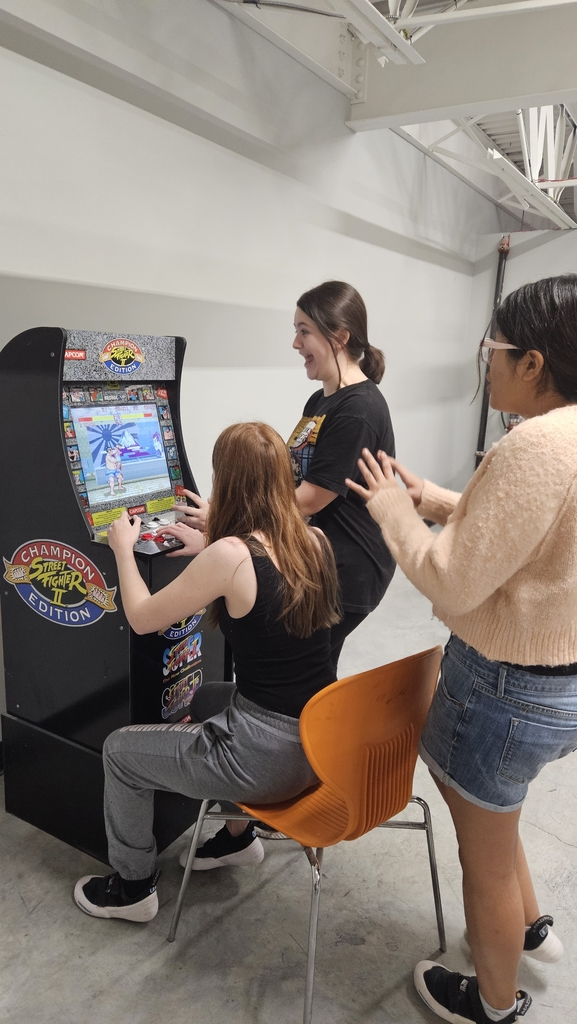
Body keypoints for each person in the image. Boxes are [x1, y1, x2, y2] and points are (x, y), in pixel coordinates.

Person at [346, 274, 577, 1024]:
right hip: (554, 683)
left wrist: (388, 512)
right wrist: (435, 500)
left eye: (494, 350)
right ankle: (532, 924)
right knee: (492, 812)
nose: (488, 363)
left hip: (504, 690)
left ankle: (493, 1000)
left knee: (481, 856)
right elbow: (532, 538)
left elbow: (451, 581)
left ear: (534, 363)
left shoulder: (533, 448)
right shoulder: (566, 435)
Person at [74, 422, 340, 922]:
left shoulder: (230, 556)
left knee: (119, 752)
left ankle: (132, 887)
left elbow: (142, 616)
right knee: (209, 698)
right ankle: (240, 838)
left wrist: (123, 549)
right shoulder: (316, 541)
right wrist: (213, 545)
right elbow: (255, 562)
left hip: (267, 760)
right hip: (320, 742)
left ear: (229, 483)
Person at [170, 281, 396, 674]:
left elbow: (309, 498)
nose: (295, 343)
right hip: (313, 554)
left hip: (346, 567)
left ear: (339, 337)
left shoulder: (359, 408)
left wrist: (228, 520)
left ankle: (295, 733)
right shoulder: (322, 400)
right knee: (306, 674)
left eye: (304, 331)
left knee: (297, 677)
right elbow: (287, 483)